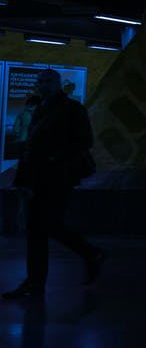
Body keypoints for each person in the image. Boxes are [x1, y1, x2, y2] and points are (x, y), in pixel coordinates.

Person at [3, 69, 105, 299]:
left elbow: (84, 141)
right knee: (39, 229)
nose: (43, 85)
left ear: (59, 84)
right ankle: (39, 280)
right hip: (41, 178)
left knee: (43, 226)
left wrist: (54, 160)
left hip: (57, 178)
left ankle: (87, 255)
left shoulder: (71, 110)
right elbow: (32, 147)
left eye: (48, 81)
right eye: (40, 81)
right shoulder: (42, 109)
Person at [7, 95, 41, 159]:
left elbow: (15, 130)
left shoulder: (22, 114)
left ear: (28, 104)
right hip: (38, 144)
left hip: (23, 142)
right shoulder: (43, 114)